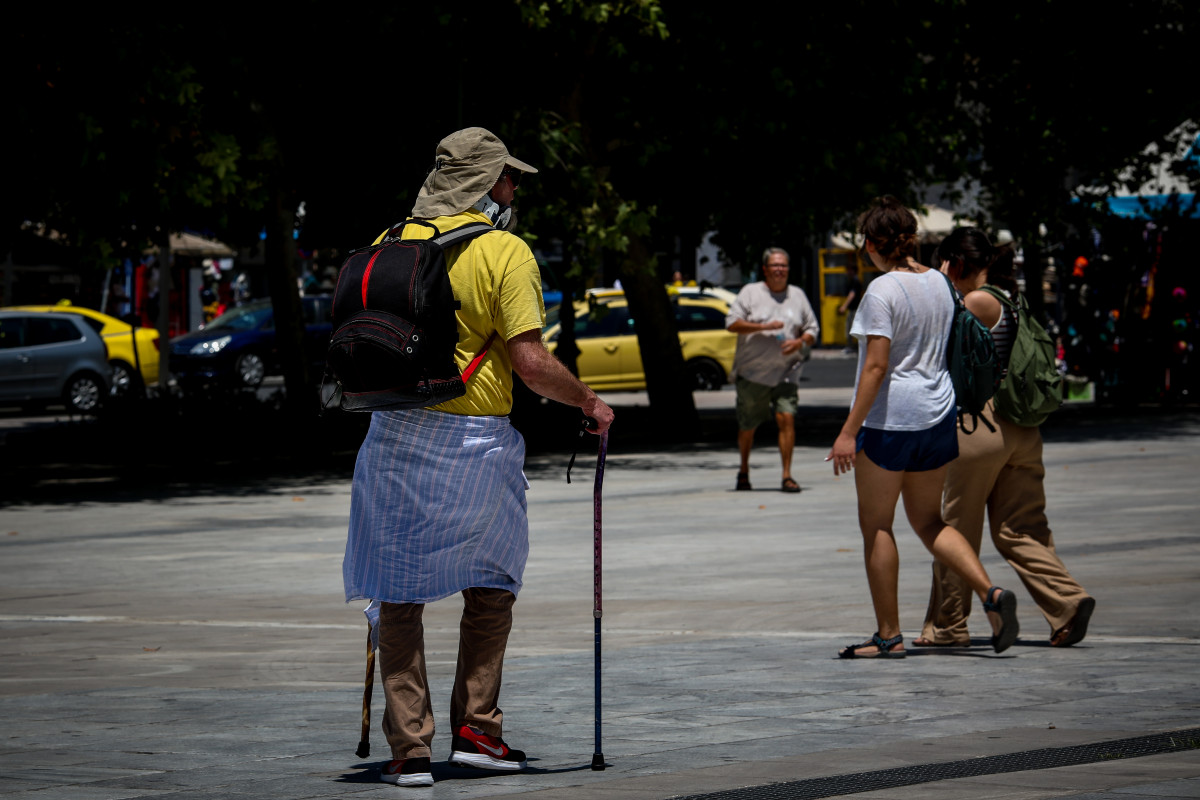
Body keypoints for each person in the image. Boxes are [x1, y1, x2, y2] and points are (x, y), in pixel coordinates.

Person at [341, 127, 614, 787]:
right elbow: (529, 363)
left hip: (390, 438)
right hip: (472, 445)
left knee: (398, 595)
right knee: (491, 583)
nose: (514, 188)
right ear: (490, 182)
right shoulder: (503, 250)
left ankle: (409, 752)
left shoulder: (389, 243)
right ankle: (477, 731)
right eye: (510, 177)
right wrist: (587, 401)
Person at [826, 196, 1019, 658]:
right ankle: (991, 594)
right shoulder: (940, 282)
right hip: (938, 415)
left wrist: (848, 431)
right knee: (930, 521)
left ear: (873, 244)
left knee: (877, 526)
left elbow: (875, 368)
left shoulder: (881, 291)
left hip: (891, 420)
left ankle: (889, 636)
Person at [916, 227, 1095, 648]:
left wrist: (941, 282)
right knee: (1021, 529)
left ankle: (949, 626)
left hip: (983, 425)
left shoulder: (976, 300)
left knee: (955, 530)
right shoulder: (1012, 299)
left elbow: (935, 332)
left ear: (956, 264)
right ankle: (1068, 602)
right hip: (1023, 427)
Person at [726, 247, 819, 493]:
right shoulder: (750, 292)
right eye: (775, 266)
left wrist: (800, 342)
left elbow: (812, 329)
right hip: (753, 373)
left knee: (786, 418)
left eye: (784, 266)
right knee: (747, 426)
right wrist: (763, 326)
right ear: (765, 269)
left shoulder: (797, 295)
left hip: (787, 371)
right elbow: (732, 324)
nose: (780, 270)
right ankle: (744, 470)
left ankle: (787, 475)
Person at [838, 261, 862, 354]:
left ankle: (851, 346)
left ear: (852, 271)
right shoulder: (853, 280)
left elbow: (852, 294)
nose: (846, 272)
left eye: (848, 270)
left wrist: (844, 306)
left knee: (850, 328)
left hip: (854, 309)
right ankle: (852, 346)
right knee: (851, 327)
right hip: (853, 308)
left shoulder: (855, 281)